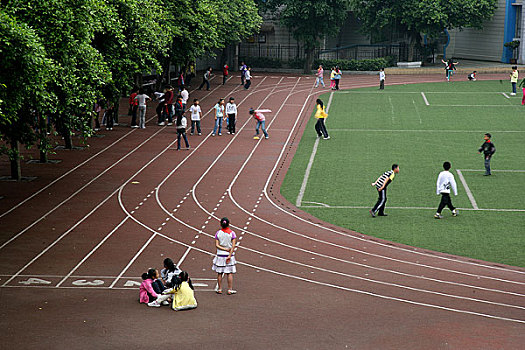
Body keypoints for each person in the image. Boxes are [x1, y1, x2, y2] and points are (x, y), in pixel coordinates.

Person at [212, 217, 237, 295]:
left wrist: (223, 249)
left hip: (220, 255)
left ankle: (219, 289)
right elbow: (233, 246)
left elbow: (217, 245)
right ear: (228, 224)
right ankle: (230, 289)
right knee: (229, 273)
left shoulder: (218, 233)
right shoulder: (232, 233)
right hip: (228, 255)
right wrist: (229, 254)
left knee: (220, 273)